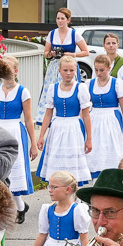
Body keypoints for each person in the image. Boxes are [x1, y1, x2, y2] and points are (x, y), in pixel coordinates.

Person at [0, 54, 37, 215]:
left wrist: (34, 144)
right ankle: (17, 207)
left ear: (16, 71)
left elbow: (28, 119)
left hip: (15, 131)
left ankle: (18, 206)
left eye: (8, 68)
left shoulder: (23, 91)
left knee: (13, 169)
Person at [38, 57, 92, 185]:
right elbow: (48, 114)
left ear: (76, 71)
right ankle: (57, 190)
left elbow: (86, 115)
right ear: (59, 71)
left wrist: (89, 139)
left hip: (74, 127)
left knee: (72, 160)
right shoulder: (53, 88)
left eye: (71, 70)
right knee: (56, 159)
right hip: (57, 128)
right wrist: (41, 136)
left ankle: (73, 192)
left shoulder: (81, 88)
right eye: (65, 70)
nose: (68, 73)